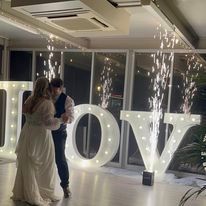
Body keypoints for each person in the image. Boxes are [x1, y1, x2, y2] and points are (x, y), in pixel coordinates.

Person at [12, 77, 68, 206]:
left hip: (27, 133)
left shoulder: (29, 100)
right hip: (41, 136)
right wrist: (60, 120)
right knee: (45, 165)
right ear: (46, 87)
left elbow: (26, 114)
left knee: (27, 164)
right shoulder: (47, 103)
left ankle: (24, 192)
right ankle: (42, 192)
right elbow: (48, 123)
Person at [50, 78, 74, 198]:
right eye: (53, 88)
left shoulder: (67, 100)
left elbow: (71, 117)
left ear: (61, 87)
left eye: (57, 89)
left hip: (59, 133)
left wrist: (67, 118)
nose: (55, 91)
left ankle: (65, 186)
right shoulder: (46, 96)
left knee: (60, 159)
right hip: (45, 132)